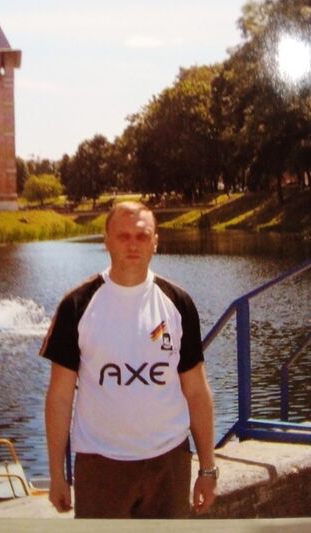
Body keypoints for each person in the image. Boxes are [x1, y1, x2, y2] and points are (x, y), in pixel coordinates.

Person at [40, 201, 217, 519]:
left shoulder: (178, 303)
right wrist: (57, 474)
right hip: (101, 465)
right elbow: (60, 396)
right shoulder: (77, 305)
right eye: (123, 236)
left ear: (155, 242)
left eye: (142, 236)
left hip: (169, 462)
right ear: (106, 240)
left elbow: (196, 391)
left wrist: (207, 468)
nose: (133, 244)